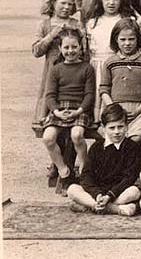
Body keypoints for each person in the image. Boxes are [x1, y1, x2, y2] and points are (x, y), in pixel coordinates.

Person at [67, 104, 141, 216]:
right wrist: (97, 194)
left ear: (127, 126)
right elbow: (86, 175)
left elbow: (129, 177)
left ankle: (92, 206)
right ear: (103, 129)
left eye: (120, 127)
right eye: (112, 128)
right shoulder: (97, 147)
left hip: (118, 193)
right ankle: (115, 209)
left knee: (134, 192)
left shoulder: (132, 147)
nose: (117, 132)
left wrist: (109, 196)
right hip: (98, 193)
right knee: (72, 189)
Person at [42, 28, 95, 190]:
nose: (70, 51)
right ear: (60, 49)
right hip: (59, 110)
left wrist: (78, 111)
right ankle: (64, 171)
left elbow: (89, 95)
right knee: (48, 137)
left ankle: (86, 170)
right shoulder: (56, 69)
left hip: (79, 110)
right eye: (66, 48)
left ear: (80, 48)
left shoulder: (87, 68)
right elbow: (50, 95)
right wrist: (57, 111)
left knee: (77, 135)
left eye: (74, 47)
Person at [33, 0, 85, 135]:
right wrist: (51, 36)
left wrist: (78, 34)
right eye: (63, 3)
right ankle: (56, 158)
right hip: (52, 71)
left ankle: (68, 157)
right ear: (54, 3)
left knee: (72, 116)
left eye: (70, 4)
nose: (67, 7)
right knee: (51, 117)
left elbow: (84, 51)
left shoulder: (76, 24)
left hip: (73, 73)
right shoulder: (45, 24)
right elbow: (36, 51)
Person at [85, 0, 137, 125]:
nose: (111, 3)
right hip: (97, 64)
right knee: (98, 92)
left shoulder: (127, 20)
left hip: (118, 65)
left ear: (122, 0)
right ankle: (97, 120)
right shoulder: (93, 22)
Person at [100, 18, 141, 142]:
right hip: (115, 108)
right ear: (116, 39)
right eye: (123, 39)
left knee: (134, 140)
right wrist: (112, 108)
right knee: (114, 139)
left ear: (138, 39)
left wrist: (138, 110)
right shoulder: (110, 62)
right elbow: (104, 88)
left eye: (131, 39)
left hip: (139, 109)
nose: (127, 43)